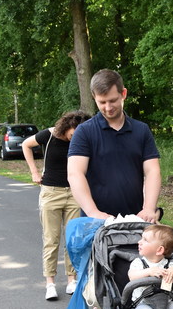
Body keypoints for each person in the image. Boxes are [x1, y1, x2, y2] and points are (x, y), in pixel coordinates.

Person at [66, 69, 161, 222]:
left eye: (113, 100)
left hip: (135, 220)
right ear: (94, 97)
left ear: (123, 94)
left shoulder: (141, 130)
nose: (108, 107)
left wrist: (149, 208)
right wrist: (93, 212)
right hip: (96, 222)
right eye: (102, 102)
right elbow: (75, 174)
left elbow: (152, 171)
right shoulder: (84, 132)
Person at [22, 110, 91, 301]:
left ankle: (72, 279)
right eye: (74, 133)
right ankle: (50, 283)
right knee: (51, 239)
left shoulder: (82, 140)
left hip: (74, 194)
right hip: (51, 192)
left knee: (73, 239)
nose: (75, 138)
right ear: (68, 125)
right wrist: (34, 172)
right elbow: (26, 145)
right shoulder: (49, 135)